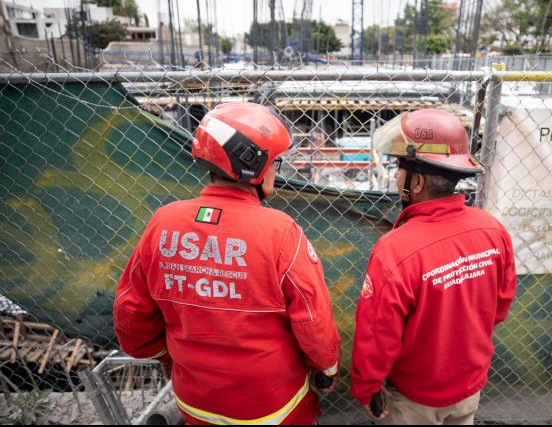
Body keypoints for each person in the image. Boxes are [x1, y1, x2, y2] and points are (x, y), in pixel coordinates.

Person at [114, 102, 341, 425]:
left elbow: (131, 311)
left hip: (195, 400)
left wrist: (162, 355)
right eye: (274, 162)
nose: (277, 170)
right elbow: (313, 318)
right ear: (251, 165)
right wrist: (327, 365)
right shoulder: (279, 231)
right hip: (272, 406)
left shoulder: (163, 222)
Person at [349, 109, 516, 425]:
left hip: (414, 399)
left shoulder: (395, 249)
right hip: (468, 386)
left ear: (418, 181)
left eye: (399, 169)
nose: (396, 177)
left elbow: (377, 337)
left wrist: (366, 387)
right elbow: (500, 307)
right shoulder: (491, 229)